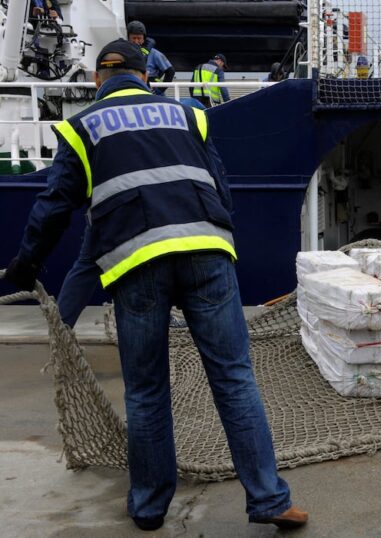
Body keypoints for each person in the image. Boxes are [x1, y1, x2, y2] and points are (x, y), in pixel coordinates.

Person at [3, 39, 308, 531]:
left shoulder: (81, 127)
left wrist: (23, 267)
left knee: (146, 392)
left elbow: (53, 207)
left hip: (137, 262)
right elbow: (220, 185)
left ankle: (148, 506)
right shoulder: (189, 115)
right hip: (207, 252)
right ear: (147, 76)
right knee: (234, 378)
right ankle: (270, 499)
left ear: (99, 80)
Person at [126, 20, 175, 95]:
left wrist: (160, 90)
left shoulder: (154, 53)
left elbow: (170, 71)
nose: (136, 41)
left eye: (139, 38)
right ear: (128, 38)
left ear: (144, 38)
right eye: (133, 38)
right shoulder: (124, 52)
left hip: (152, 91)